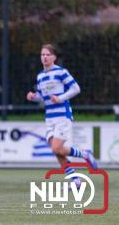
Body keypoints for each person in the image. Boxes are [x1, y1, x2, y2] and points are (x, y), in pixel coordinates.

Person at [26, 44, 98, 186]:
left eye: (48, 55)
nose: (45, 57)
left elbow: (76, 88)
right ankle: (76, 181)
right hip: (50, 118)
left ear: (54, 57)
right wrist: (34, 97)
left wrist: (61, 98)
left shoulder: (61, 72)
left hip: (62, 116)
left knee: (56, 148)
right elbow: (43, 97)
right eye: (42, 55)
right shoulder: (40, 76)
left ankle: (85, 154)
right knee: (58, 153)